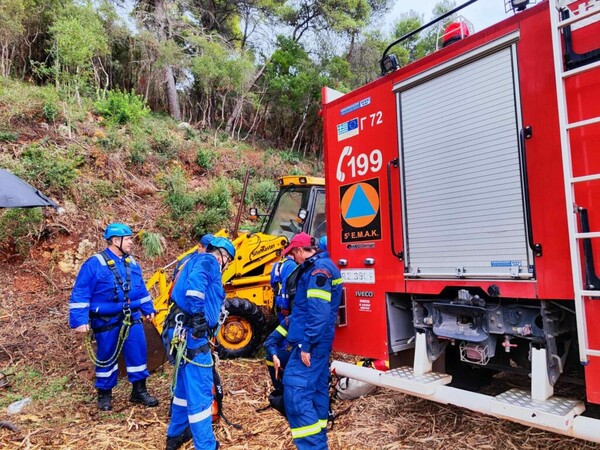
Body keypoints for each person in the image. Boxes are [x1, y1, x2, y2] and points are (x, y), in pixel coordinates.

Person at [69, 223, 159, 411]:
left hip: (131, 317)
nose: (131, 242)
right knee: (107, 356)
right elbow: (81, 292)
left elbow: (140, 288)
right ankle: (104, 395)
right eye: (127, 239)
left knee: (138, 352)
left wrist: (147, 308)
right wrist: (80, 320)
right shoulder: (95, 264)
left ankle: (139, 391)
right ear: (115, 241)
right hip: (106, 320)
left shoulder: (131, 263)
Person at [163, 236, 235, 450]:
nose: (226, 264)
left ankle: (175, 436)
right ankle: (206, 445)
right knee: (201, 394)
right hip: (192, 336)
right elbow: (196, 286)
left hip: (181, 333)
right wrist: (199, 319)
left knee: (184, 391)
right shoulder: (209, 261)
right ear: (222, 254)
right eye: (228, 260)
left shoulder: (193, 260)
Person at [281, 232, 343, 450]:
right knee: (316, 389)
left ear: (299, 251)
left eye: (293, 254)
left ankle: (313, 446)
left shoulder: (318, 270)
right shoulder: (322, 266)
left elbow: (319, 313)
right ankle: (319, 440)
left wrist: (306, 343)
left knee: (295, 392)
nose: (294, 259)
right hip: (317, 342)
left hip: (312, 344)